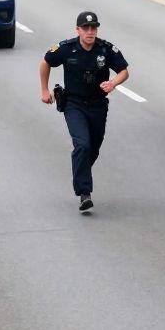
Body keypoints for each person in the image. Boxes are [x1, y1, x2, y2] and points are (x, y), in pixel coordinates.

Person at [40, 11, 130, 211]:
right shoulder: (66, 49)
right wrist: (45, 90)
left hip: (98, 105)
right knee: (82, 144)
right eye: (86, 28)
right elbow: (45, 62)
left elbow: (124, 70)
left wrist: (113, 83)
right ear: (78, 30)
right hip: (74, 105)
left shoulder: (105, 49)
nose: (90, 32)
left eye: (93, 28)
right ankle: (84, 193)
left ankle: (81, 172)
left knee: (93, 148)